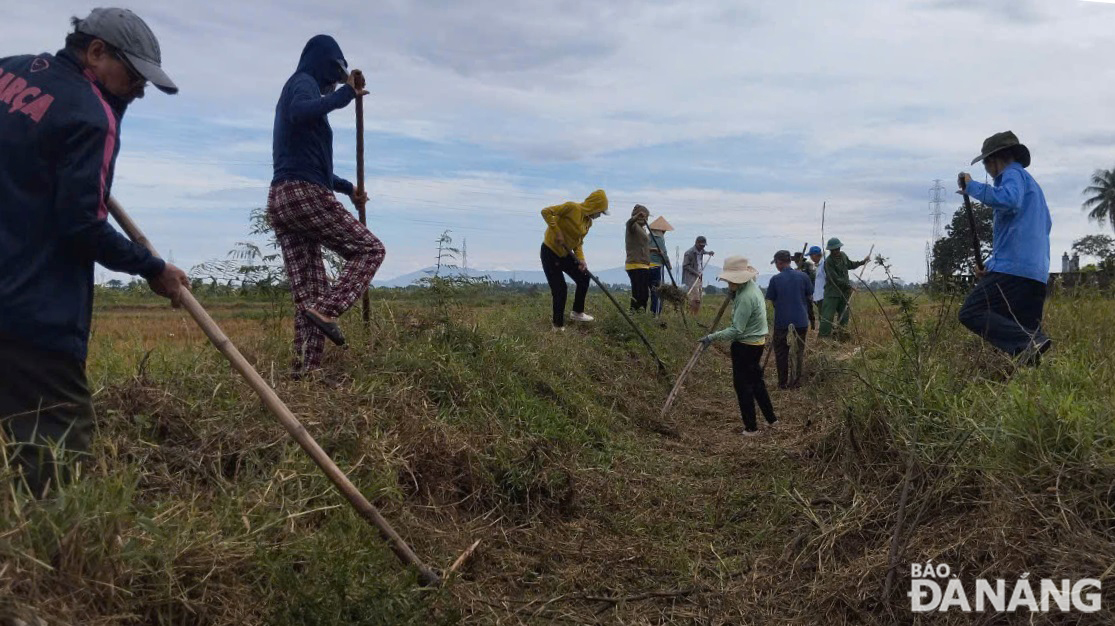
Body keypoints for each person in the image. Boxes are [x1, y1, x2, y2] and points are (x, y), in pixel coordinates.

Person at [0, 9, 189, 496]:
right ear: (96, 51)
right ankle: (57, 564)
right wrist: (153, 269)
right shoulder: (90, 113)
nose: (138, 91)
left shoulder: (8, 70)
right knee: (59, 451)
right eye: (133, 76)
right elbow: (82, 225)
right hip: (31, 312)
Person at [268, 35, 384, 378]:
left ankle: (305, 372)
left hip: (283, 197)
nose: (333, 82)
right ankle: (329, 309)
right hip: (304, 195)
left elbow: (313, 165)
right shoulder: (301, 84)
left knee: (309, 291)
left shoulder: (302, 90)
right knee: (369, 250)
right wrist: (345, 94)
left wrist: (348, 188)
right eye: (333, 74)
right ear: (321, 63)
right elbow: (301, 110)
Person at [957, 131, 1052, 364]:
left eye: (987, 163)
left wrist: (972, 187)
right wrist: (991, 265)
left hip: (1015, 271)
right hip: (1036, 274)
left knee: (971, 312)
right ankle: (1032, 389)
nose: (988, 170)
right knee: (1028, 351)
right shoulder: (1033, 188)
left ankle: (1031, 340)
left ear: (996, 159)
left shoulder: (1012, 175)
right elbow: (1036, 228)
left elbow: (1008, 200)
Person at [698, 256, 777, 436]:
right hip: (757, 343)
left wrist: (712, 337)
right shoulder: (751, 287)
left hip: (745, 346)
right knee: (756, 382)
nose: (728, 284)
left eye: (730, 281)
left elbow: (736, 330)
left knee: (743, 386)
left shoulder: (746, 297)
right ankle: (772, 419)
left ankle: (751, 428)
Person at [540, 190, 609, 330]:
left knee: (583, 277)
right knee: (560, 289)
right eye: (600, 212)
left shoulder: (588, 223)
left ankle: (577, 312)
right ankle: (557, 326)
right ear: (594, 206)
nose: (599, 215)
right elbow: (545, 212)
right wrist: (557, 232)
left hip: (565, 254)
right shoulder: (572, 208)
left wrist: (581, 260)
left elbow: (578, 242)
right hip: (550, 251)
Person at [766, 250, 813, 389]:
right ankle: (796, 382)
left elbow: (772, 300)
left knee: (781, 353)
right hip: (801, 321)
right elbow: (809, 297)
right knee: (798, 352)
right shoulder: (804, 277)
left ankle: (783, 383)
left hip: (782, 322)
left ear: (779, 263)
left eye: (776, 263)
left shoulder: (775, 279)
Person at [818, 238, 870, 340]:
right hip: (832, 293)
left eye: (837, 249)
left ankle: (842, 336)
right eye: (834, 250)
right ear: (830, 250)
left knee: (844, 316)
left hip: (844, 293)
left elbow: (850, 265)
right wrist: (849, 285)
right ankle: (823, 339)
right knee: (827, 317)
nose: (836, 251)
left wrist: (863, 262)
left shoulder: (843, 256)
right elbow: (835, 279)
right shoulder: (828, 262)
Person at [624, 205, 653, 312]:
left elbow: (641, 246)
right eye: (646, 217)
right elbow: (629, 223)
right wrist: (636, 217)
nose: (647, 220)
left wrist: (653, 250)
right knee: (639, 294)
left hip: (644, 265)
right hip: (636, 265)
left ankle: (640, 316)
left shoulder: (642, 229)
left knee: (644, 295)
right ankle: (634, 315)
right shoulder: (633, 226)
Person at [647, 216, 674, 318]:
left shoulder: (647, 236)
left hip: (646, 266)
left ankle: (650, 314)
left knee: (650, 291)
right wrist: (668, 265)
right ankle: (656, 315)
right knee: (657, 292)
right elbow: (663, 253)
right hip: (656, 267)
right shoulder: (659, 238)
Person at [683, 236, 714, 314]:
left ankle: (696, 314)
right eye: (701, 245)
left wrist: (709, 253)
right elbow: (685, 266)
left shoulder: (701, 250)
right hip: (692, 278)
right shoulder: (689, 253)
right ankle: (692, 314)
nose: (702, 247)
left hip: (699, 277)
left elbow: (703, 252)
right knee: (695, 298)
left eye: (703, 245)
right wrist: (696, 273)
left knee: (699, 298)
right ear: (696, 243)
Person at [794, 248, 818, 330]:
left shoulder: (808, 265)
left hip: (809, 291)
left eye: (797, 260)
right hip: (799, 292)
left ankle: (813, 325)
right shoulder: (796, 270)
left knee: (809, 307)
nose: (796, 262)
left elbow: (812, 277)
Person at [809, 246, 825, 331]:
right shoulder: (818, 266)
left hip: (823, 296)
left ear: (816, 255)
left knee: (824, 317)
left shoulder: (824, 264)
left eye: (811, 255)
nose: (811, 258)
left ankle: (824, 333)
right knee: (821, 316)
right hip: (819, 296)